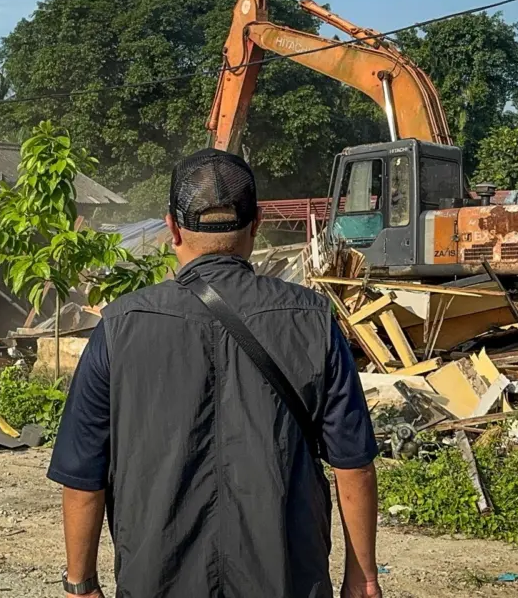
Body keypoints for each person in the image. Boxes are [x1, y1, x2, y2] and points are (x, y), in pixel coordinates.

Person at [48, 148, 381, 598]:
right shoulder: (313, 319)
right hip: (287, 579)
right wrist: (362, 578)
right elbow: (353, 465)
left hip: (157, 582)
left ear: (171, 227)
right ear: (257, 223)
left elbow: (83, 475)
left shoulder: (119, 326)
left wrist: (81, 584)